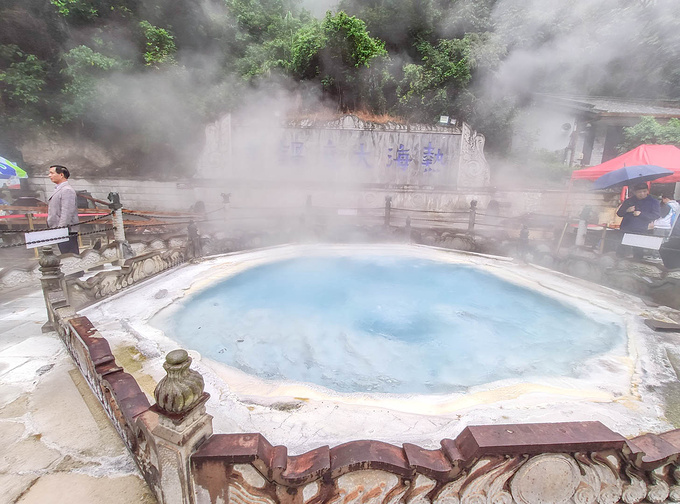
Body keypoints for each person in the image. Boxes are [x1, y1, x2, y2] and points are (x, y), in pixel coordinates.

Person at [616, 182, 661, 259]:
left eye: (644, 191)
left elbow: (656, 215)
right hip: (626, 227)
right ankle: (618, 260)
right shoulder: (629, 201)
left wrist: (641, 214)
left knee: (638, 250)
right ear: (635, 192)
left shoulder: (653, 202)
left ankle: (637, 261)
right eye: (639, 192)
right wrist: (627, 210)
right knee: (622, 248)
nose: (642, 194)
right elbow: (619, 213)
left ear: (647, 191)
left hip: (640, 229)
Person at [47, 164, 80, 255]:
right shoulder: (59, 189)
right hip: (60, 229)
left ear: (61, 175)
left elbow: (67, 212)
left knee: (70, 256)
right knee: (66, 255)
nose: (49, 175)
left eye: (52, 173)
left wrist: (61, 229)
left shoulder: (67, 190)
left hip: (66, 230)